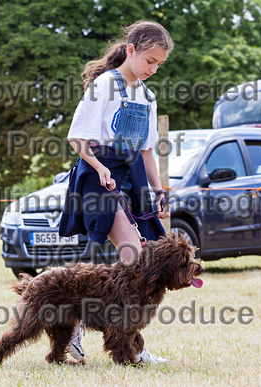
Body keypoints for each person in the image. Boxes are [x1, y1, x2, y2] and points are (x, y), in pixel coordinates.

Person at [59, 20, 173, 364]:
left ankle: (94, 335)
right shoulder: (104, 85)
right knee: (137, 260)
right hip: (99, 174)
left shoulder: (147, 96)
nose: (153, 69)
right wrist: (99, 167)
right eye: (150, 61)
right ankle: (126, 346)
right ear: (131, 50)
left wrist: (158, 189)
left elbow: (147, 150)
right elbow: (78, 138)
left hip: (133, 177)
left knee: (132, 263)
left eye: (159, 64)